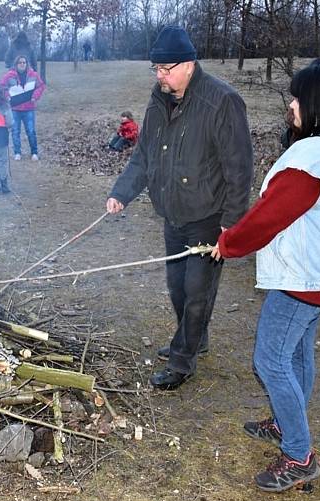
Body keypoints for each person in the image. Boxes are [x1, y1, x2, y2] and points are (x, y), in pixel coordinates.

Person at [211, 59, 320, 492]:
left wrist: (229, 243)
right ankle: (287, 424)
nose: (292, 104)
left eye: (298, 97)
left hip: (303, 279)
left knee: (269, 360)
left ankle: (299, 455)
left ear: (318, 102)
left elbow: (270, 217)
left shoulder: (314, 159)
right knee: (298, 354)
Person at [105, 26, 253, 390]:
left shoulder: (222, 101)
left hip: (208, 216)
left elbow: (240, 168)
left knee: (197, 290)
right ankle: (195, 338)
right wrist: (121, 193)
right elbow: (143, 156)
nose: (160, 76)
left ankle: (182, 362)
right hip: (173, 213)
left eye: (166, 69)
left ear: (189, 64)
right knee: (177, 289)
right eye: (155, 69)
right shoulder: (159, 101)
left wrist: (231, 224)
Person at [0, 55, 46, 161]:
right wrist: (7, 96)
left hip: (29, 107)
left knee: (30, 130)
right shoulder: (9, 75)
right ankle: (17, 152)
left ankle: (34, 152)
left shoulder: (33, 75)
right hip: (15, 108)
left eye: (24, 62)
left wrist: (35, 96)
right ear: (16, 64)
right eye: (20, 62)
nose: (22, 64)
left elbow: (41, 86)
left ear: (27, 63)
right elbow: (1, 86)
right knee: (15, 131)